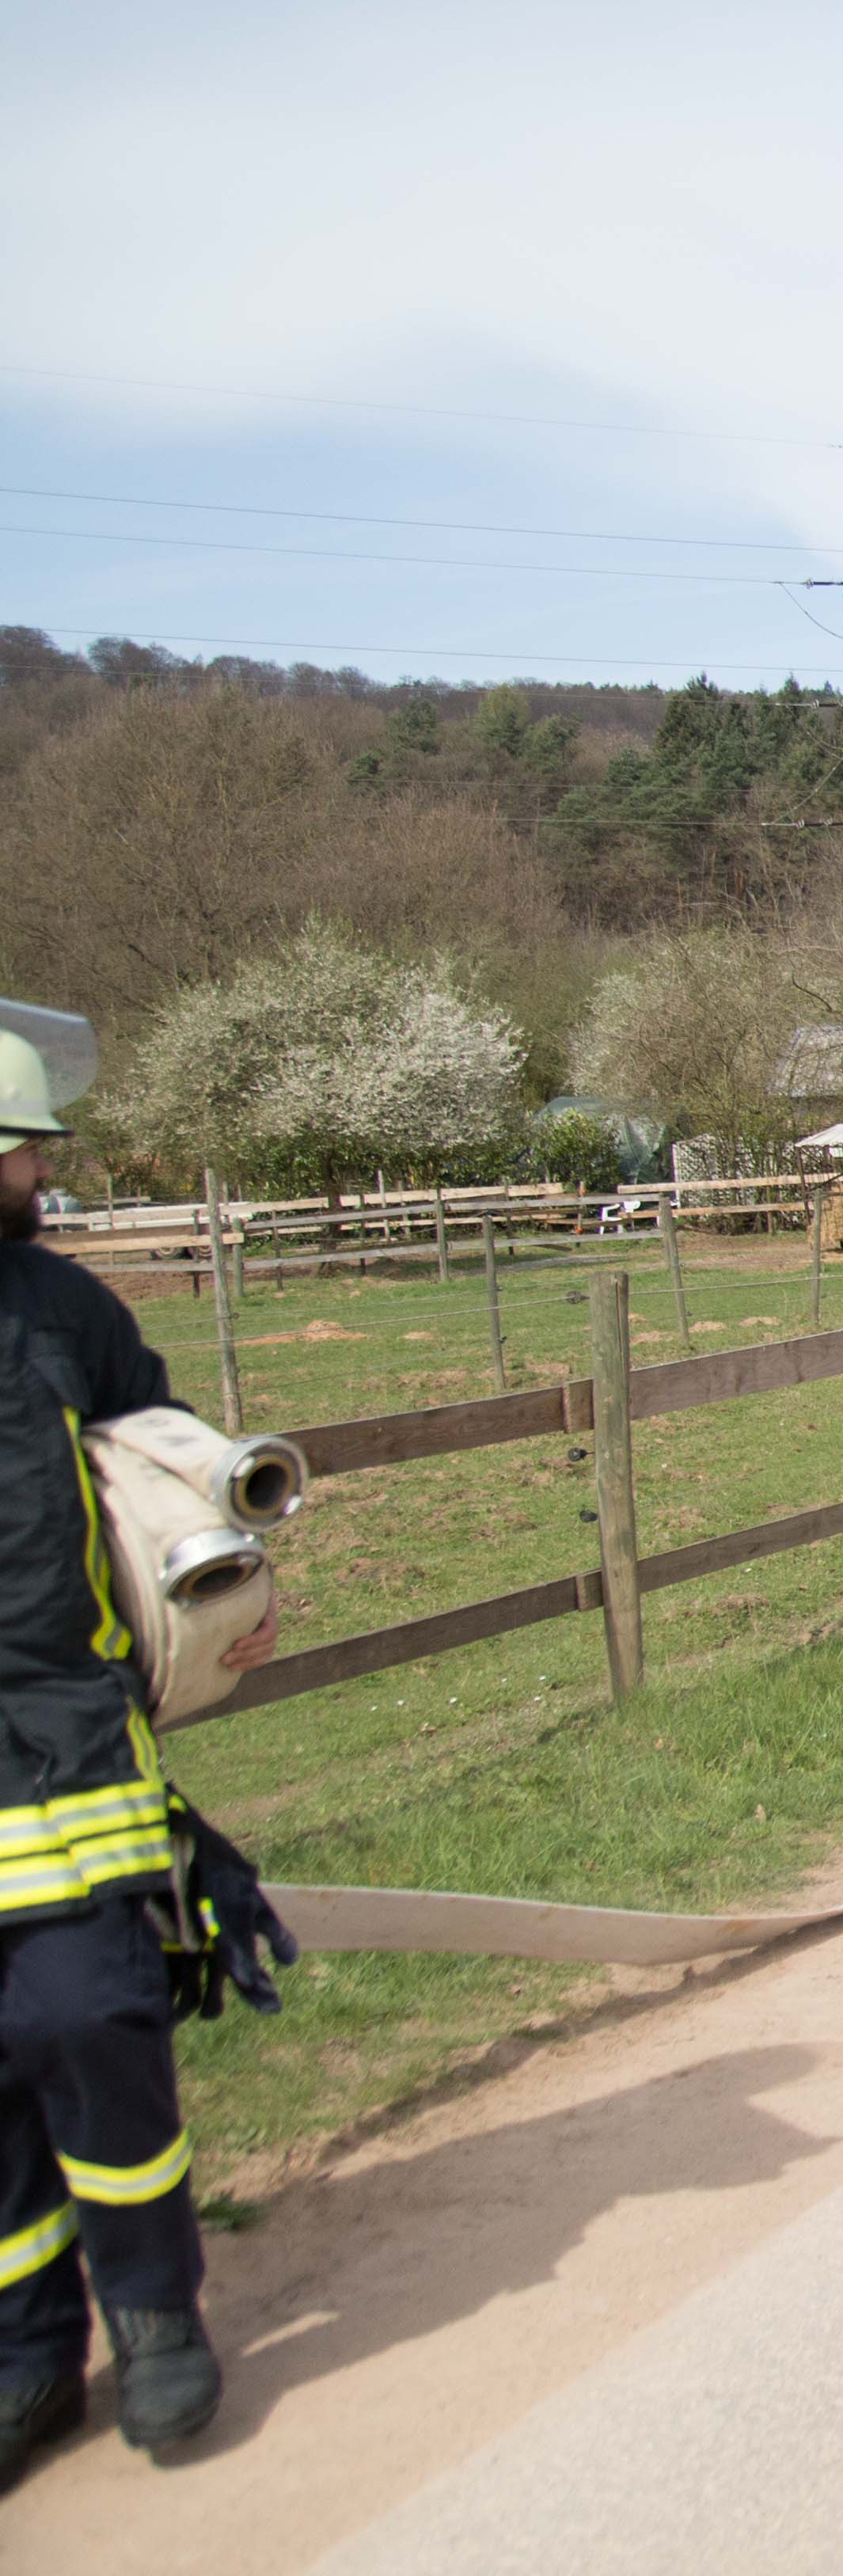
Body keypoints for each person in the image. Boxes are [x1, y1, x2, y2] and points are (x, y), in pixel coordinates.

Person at [0, 1022, 294, 2490]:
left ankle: (154, 2313)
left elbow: (166, 1457)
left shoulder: (63, 1311)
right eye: (18, 1153)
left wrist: (222, 1583)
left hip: (64, 1735)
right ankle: (25, 2356)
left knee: (92, 2018)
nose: (35, 1174)